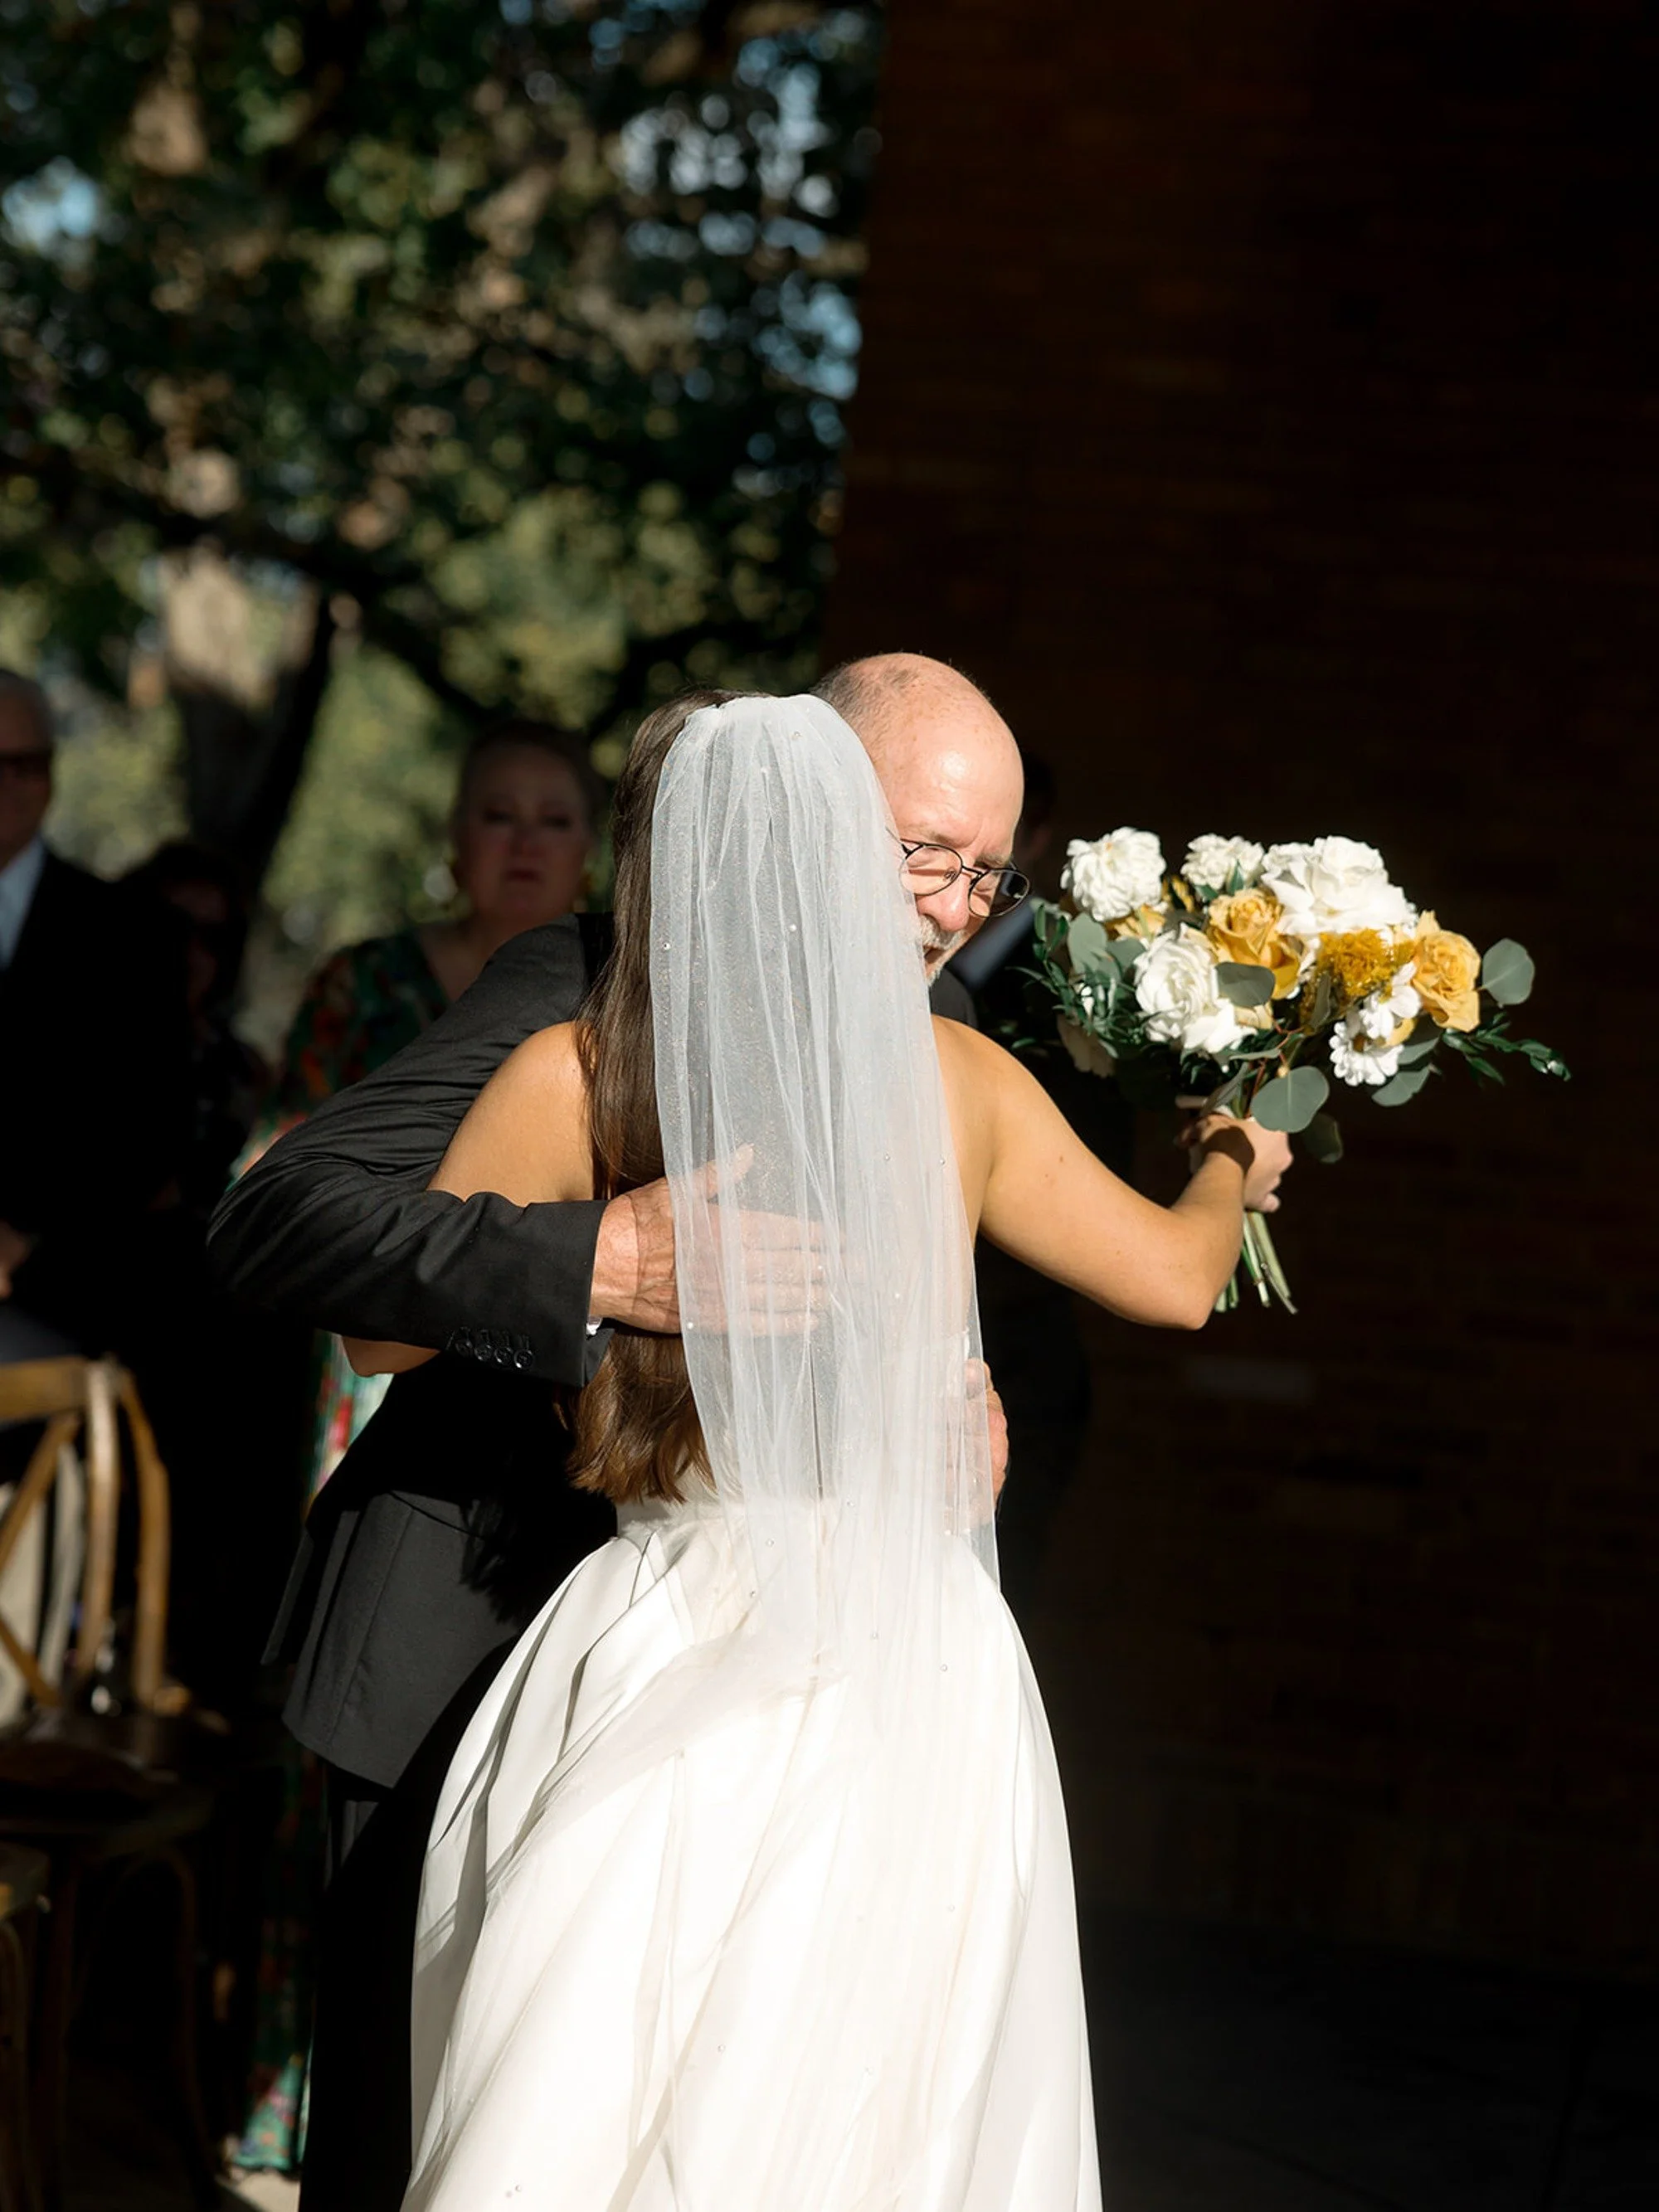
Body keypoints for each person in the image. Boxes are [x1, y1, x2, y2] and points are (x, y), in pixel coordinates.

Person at [203, 655, 1262, 2210]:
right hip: (584, 1636)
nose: (960, 905)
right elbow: (320, 1252)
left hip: (820, 1657)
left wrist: (937, 1421)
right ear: (819, 821)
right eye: (928, 855)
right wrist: (594, 1262)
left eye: (989, 870)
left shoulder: (946, 1054)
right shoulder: (582, 1010)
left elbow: (995, 1326)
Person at [228, 717, 602, 2176]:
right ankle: (278, 2102)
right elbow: (294, 1174)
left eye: (552, 818)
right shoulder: (375, 984)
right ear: (454, 842)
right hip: (365, 1373)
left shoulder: (601, 998)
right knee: (329, 1753)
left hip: (520, 1400)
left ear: (587, 848)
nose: (522, 840)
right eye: (496, 815)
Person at [0, 668, 192, 1367]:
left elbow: (153, 1134)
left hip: (61, 1298)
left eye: (23, 763)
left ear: (50, 774)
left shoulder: (130, 933)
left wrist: (26, 1238)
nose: (5, 784)